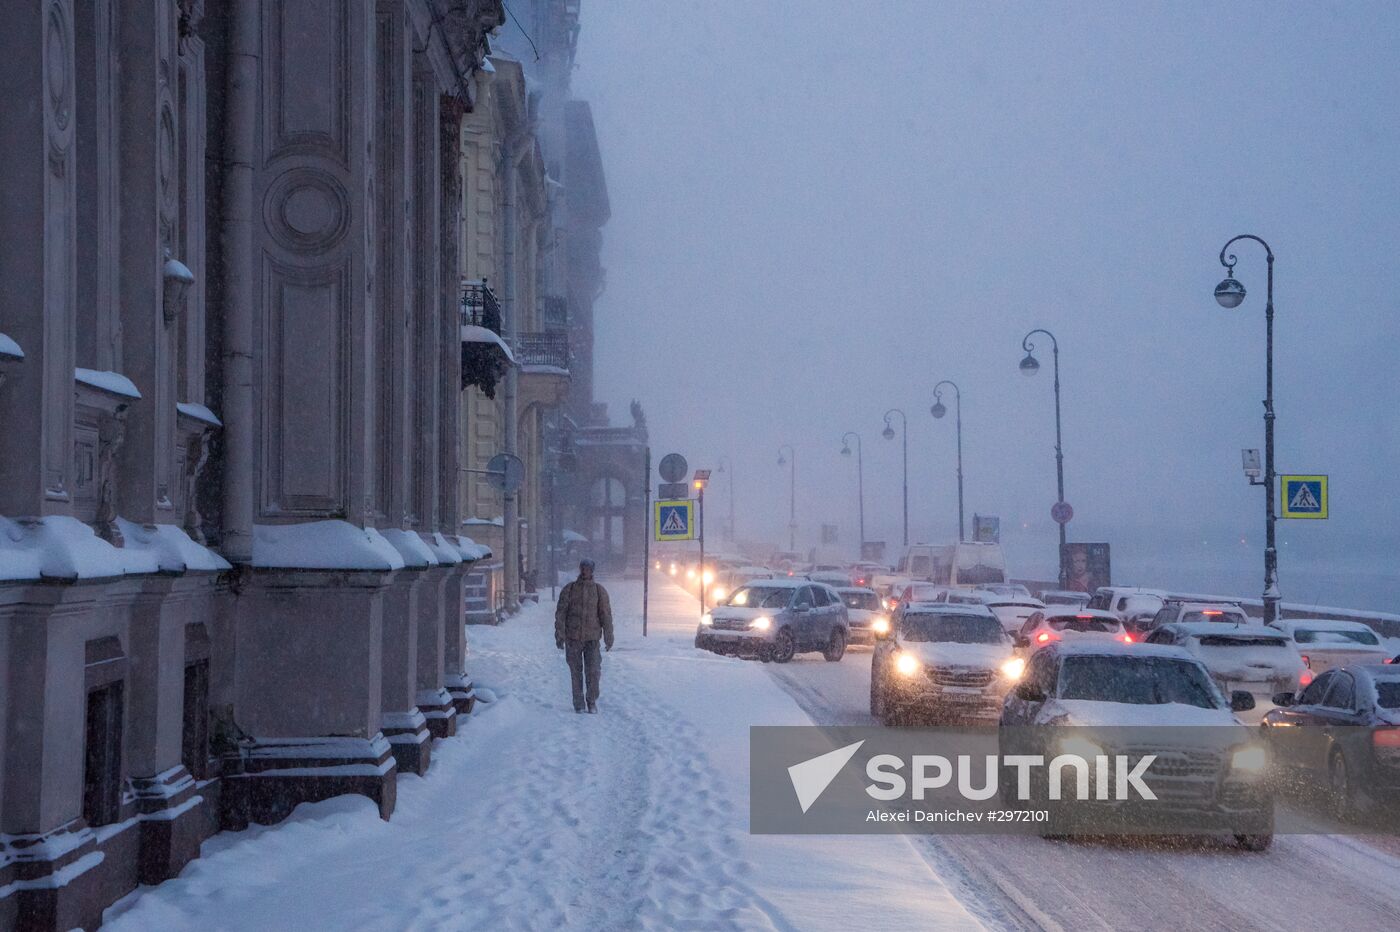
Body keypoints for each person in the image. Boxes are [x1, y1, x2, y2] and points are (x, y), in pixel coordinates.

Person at [554, 559, 614, 713]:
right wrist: (560, 634)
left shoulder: (599, 591)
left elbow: (605, 615)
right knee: (576, 672)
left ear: (592, 571)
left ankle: (591, 700)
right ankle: (578, 703)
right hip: (573, 638)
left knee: (593, 671)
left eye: (588, 568)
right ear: (580, 569)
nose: (585, 571)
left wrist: (608, 636)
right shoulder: (570, 589)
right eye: (583, 568)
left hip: (592, 639)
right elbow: (561, 613)